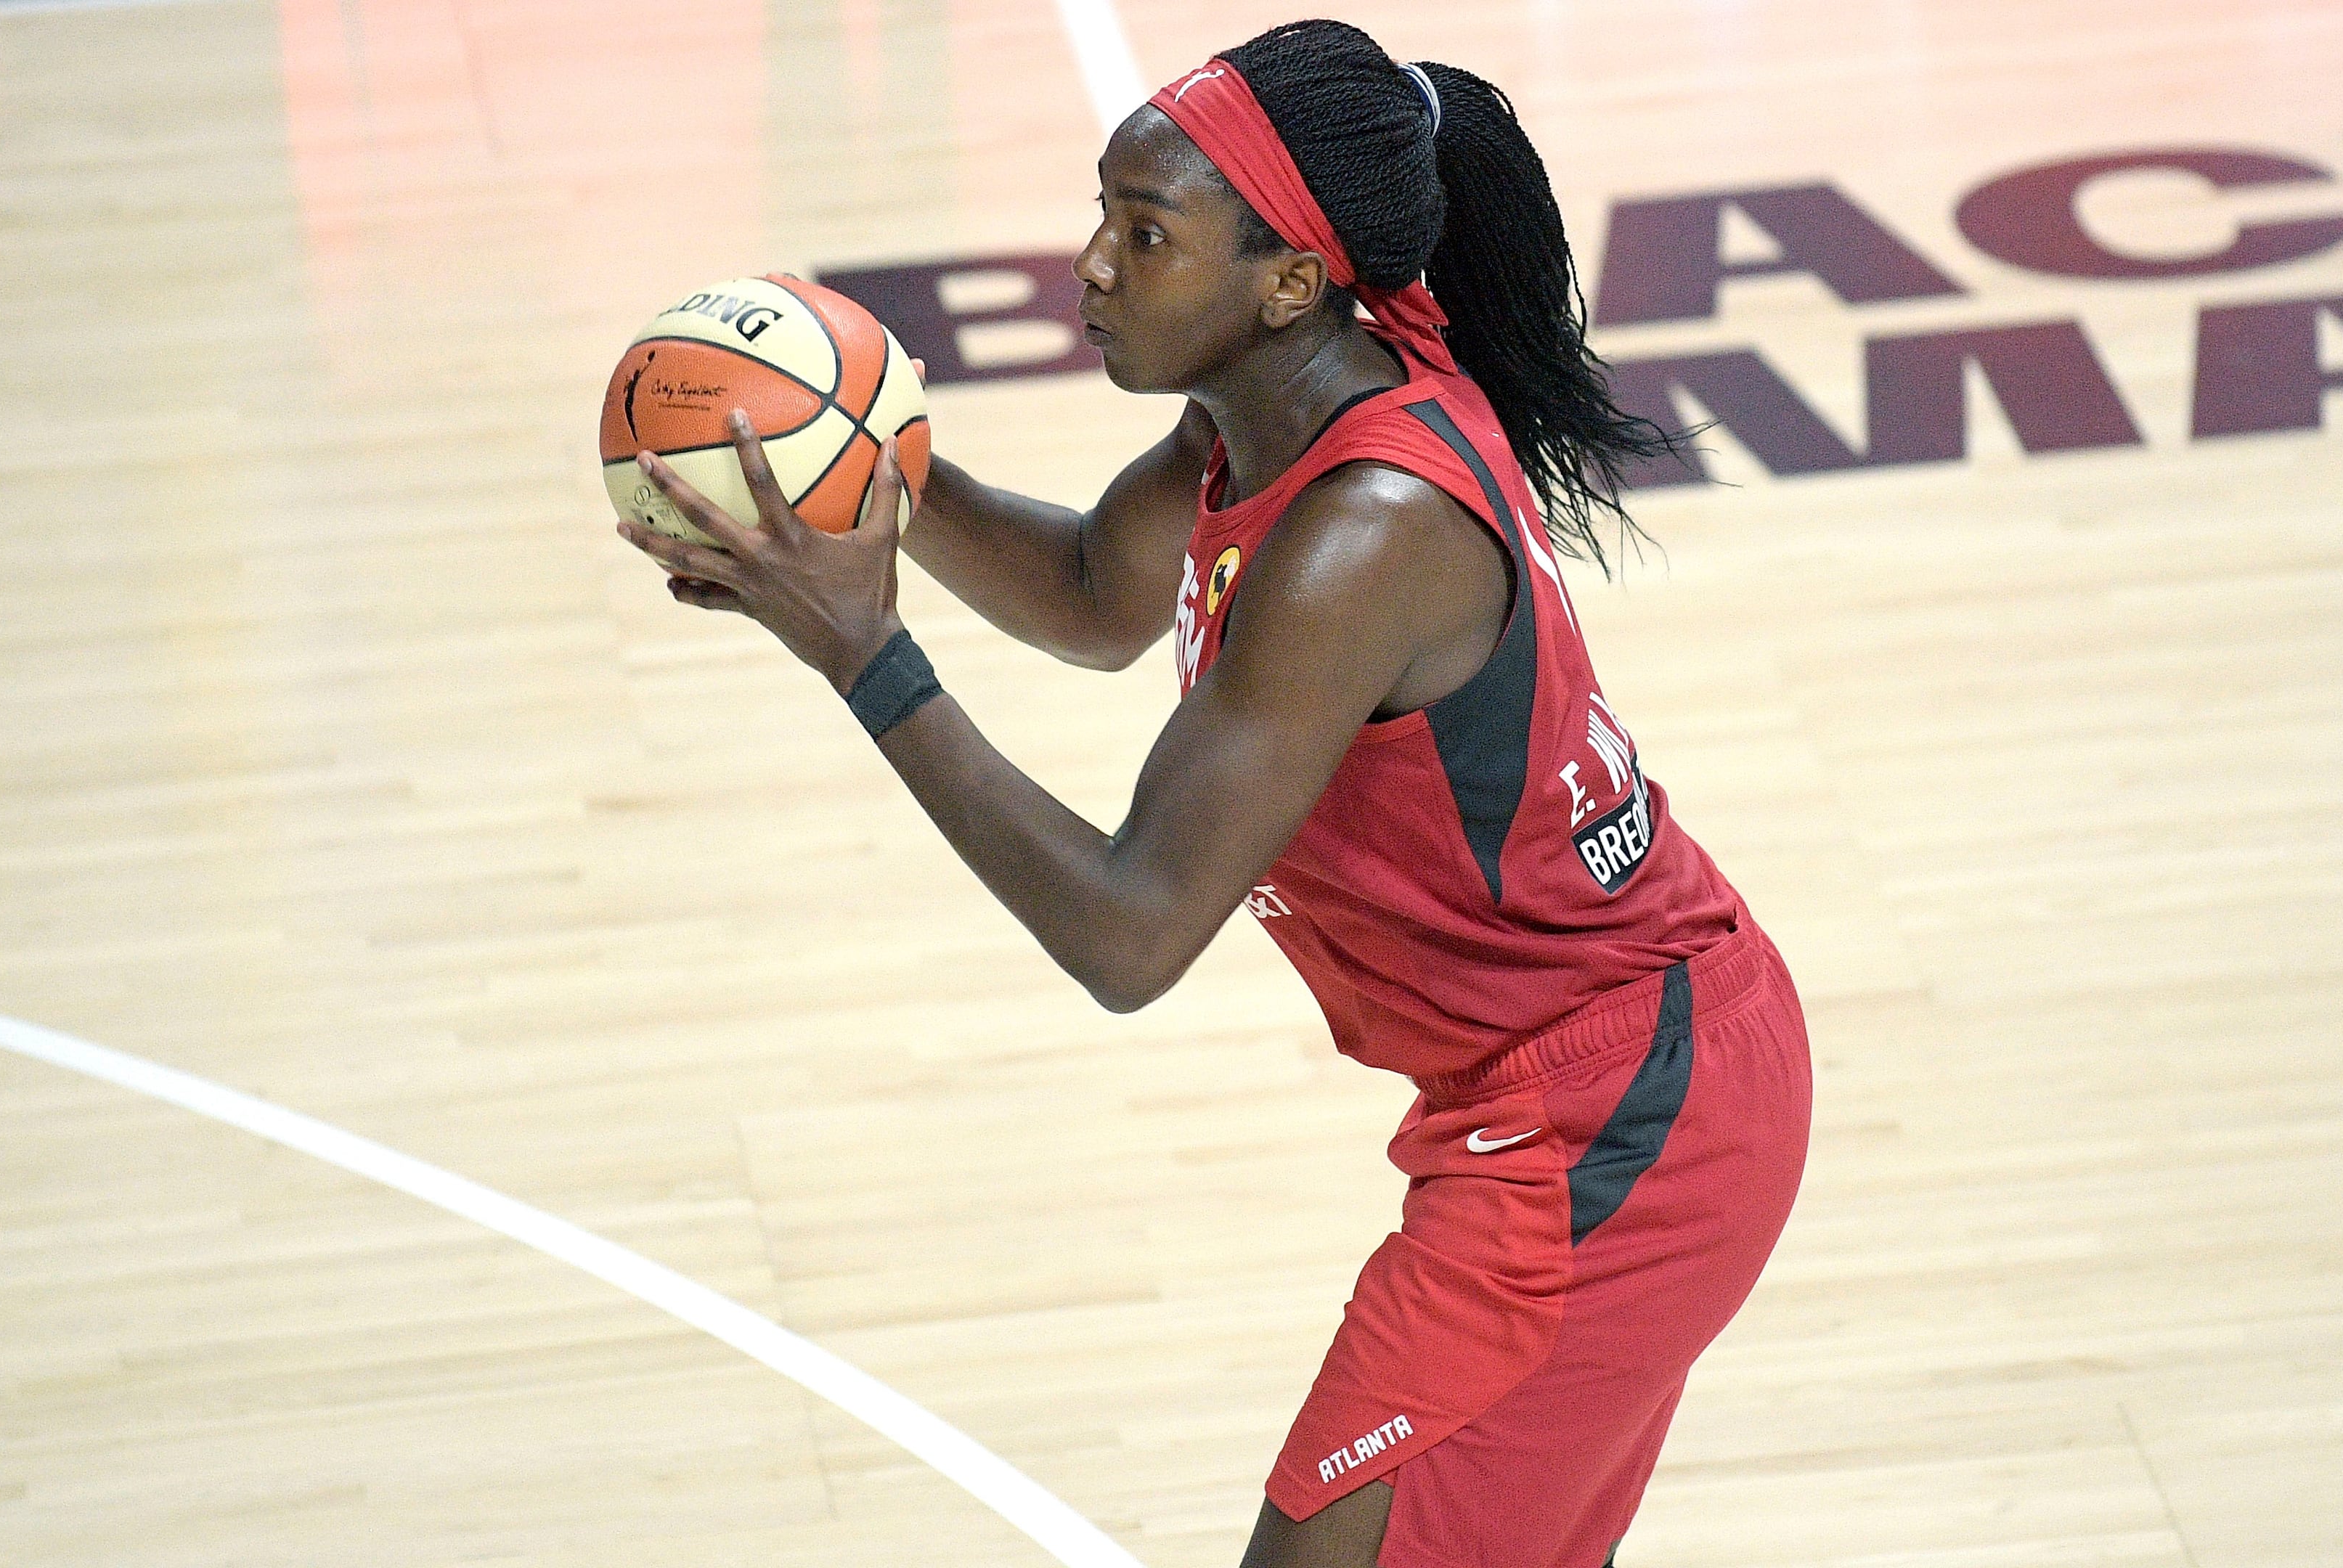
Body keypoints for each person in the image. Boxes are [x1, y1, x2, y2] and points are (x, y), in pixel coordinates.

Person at [614, 20, 1812, 1567]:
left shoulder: (1361, 535)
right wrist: (872, 473)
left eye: (1146, 231)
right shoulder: (1260, 418)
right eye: (1104, 214)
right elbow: (1097, 597)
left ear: (1292, 281)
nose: (1093, 264)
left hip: (1621, 1122)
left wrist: (867, 658)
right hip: (1591, 1086)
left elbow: (1130, 933)